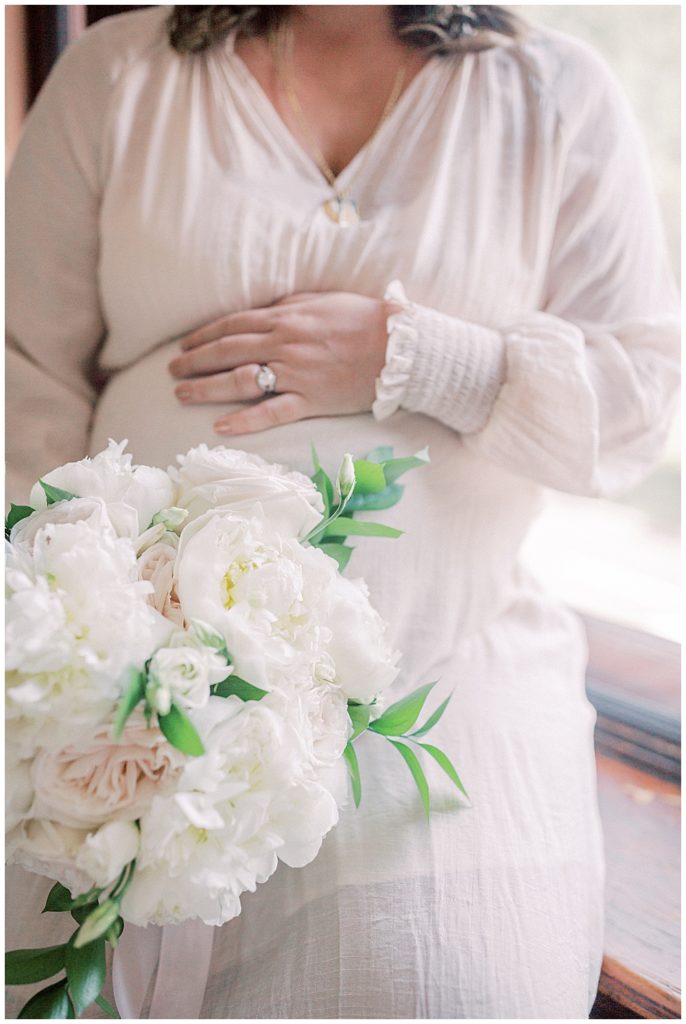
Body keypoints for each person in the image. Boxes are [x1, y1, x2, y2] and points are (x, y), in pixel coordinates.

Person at [5, 4, 680, 1019]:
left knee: (439, 983)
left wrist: (412, 357)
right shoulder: (114, 75)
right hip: (129, 664)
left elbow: (640, 407)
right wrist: (83, 620)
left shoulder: (553, 95)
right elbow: (24, 376)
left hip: (448, 661)